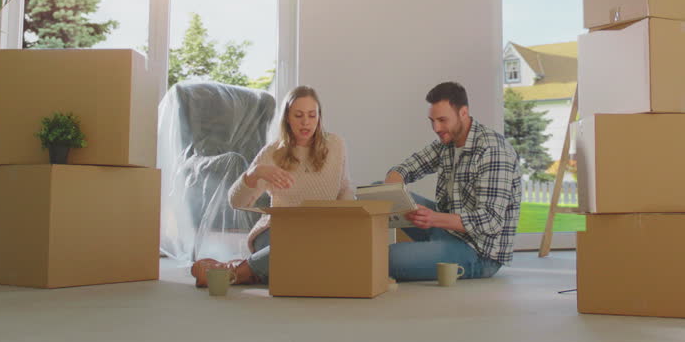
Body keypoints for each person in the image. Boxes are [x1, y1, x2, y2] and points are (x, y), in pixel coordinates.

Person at [190, 85, 354, 287]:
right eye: (298, 115)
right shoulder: (272, 153)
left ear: (319, 117)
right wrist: (254, 174)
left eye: (312, 115)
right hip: (276, 232)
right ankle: (239, 272)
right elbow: (235, 201)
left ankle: (235, 270)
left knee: (315, 253)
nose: (306, 122)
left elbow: (344, 188)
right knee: (298, 252)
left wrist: (348, 220)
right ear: (287, 118)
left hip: (318, 232)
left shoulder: (336, 145)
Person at [384, 81, 521, 281]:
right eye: (432, 120)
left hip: (479, 253)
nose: (436, 128)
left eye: (442, 120)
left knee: (387, 259)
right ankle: (426, 249)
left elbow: (491, 221)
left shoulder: (492, 150)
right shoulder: (448, 143)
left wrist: (434, 219)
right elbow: (407, 168)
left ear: (463, 113)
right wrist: (392, 185)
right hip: (447, 230)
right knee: (377, 192)